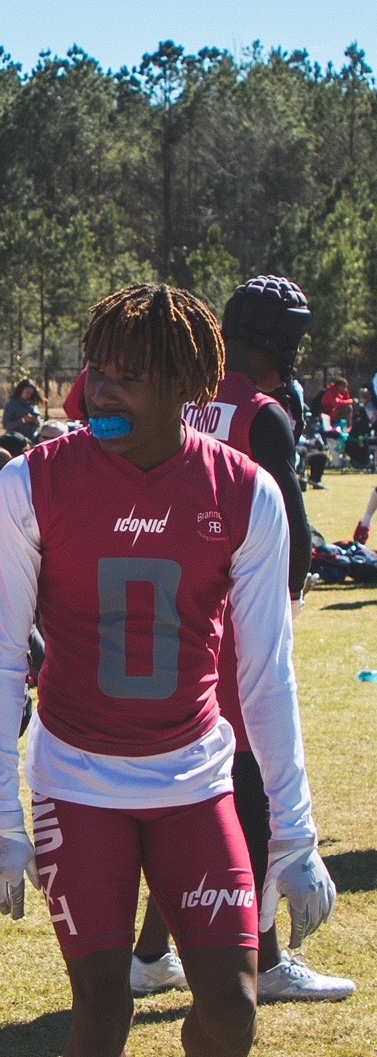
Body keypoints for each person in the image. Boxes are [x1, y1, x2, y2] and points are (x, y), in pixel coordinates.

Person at [0, 283, 337, 1057]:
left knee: (235, 1012)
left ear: (189, 388)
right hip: (76, 777)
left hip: (193, 778)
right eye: (97, 369)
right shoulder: (33, 482)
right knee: (99, 1010)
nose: (100, 391)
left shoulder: (246, 494)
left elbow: (267, 676)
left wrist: (295, 832)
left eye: (129, 377)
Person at [130, 275, 354, 1003]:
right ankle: (262, 955)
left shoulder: (176, 399)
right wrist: (286, 612)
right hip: (235, 626)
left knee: (190, 784)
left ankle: (147, 955)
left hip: (169, 618)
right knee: (246, 788)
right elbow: (287, 533)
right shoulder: (265, 416)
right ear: (284, 343)